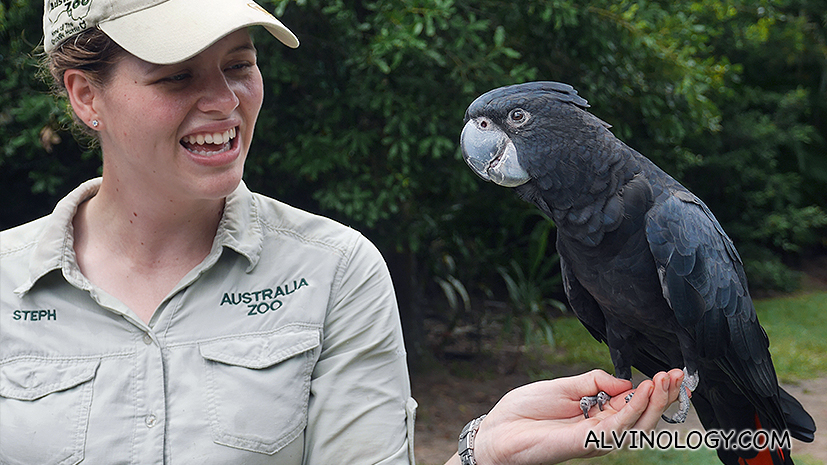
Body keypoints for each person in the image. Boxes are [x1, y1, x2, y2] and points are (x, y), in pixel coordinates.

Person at [0, 0, 683, 463]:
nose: (224, 101)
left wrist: (480, 450)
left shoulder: (334, 271)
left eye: (239, 64)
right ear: (84, 96)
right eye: (176, 76)